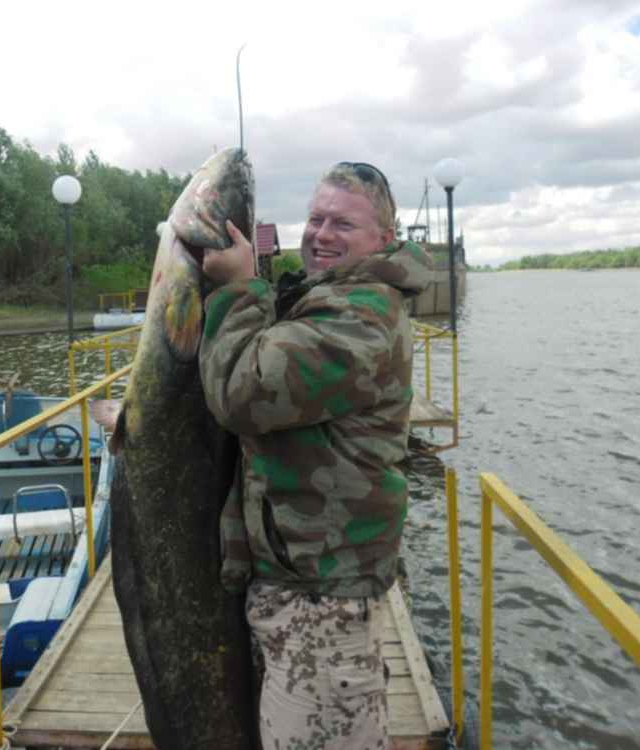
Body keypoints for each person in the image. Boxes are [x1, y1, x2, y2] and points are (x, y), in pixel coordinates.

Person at [199, 161, 433, 749]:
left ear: (385, 237)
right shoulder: (325, 297)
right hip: (299, 578)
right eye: (316, 218)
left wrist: (235, 289)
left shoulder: (361, 315)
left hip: (322, 598)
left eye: (343, 224)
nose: (322, 233)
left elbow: (244, 393)